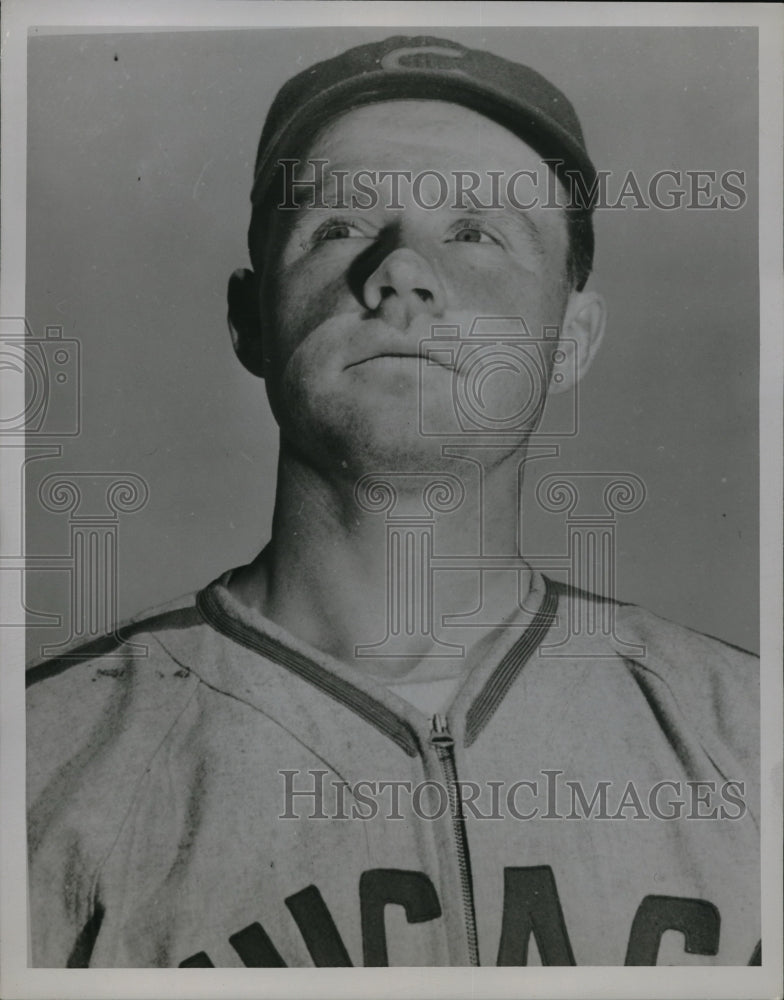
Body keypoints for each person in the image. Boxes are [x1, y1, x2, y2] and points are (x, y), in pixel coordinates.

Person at [26, 35, 759, 968]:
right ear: (251, 317)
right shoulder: (42, 763)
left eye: (478, 232)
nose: (402, 273)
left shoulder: (745, 737)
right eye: (337, 226)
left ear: (571, 340)